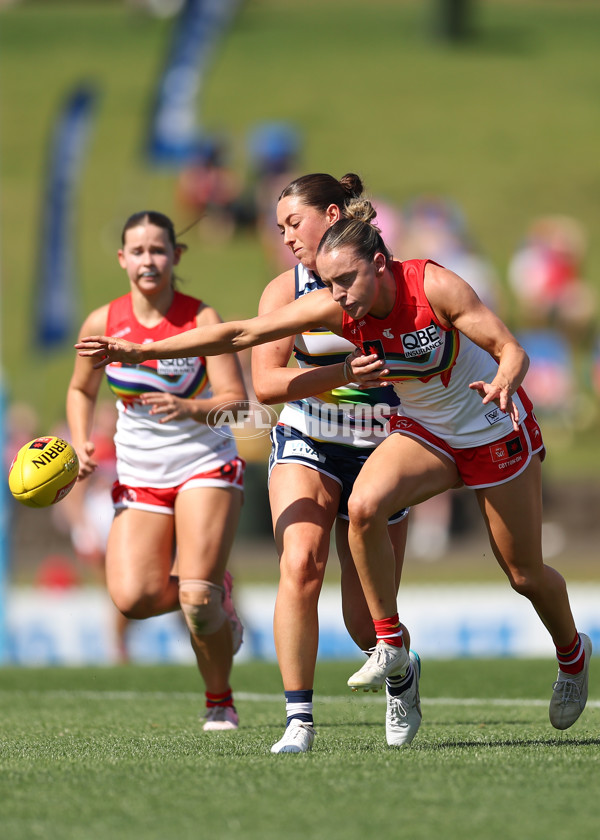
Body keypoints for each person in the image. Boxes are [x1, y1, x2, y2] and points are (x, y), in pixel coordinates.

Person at [76, 188, 592, 735]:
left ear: (378, 262)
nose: (338, 297)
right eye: (331, 285)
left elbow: (511, 348)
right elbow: (241, 333)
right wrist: (140, 353)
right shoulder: (334, 300)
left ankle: (571, 656)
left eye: (346, 282)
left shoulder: (434, 285)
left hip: (491, 427)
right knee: (363, 506)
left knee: (523, 573)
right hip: (423, 433)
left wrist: (506, 380)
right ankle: (388, 648)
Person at [78, 174, 421, 755]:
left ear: (332, 213)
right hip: (307, 438)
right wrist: (340, 376)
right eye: (279, 225)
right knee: (300, 566)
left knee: (365, 623)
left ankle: (401, 676)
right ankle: (299, 721)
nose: (284, 236)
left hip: (382, 446)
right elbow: (264, 386)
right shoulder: (281, 291)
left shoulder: (392, 277)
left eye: (293, 223)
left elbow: (445, 339)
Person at [67, 210, 247, 730]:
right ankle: (217, 592)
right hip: (140, 474)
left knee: (195, 601)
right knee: (132, 598)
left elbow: (236, 402)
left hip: (204, 465)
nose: (149, 259)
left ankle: (220, 701)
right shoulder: (103, 321)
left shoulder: (201, 319)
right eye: (138, 251)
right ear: (123, 259)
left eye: (159, 250)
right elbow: (81, 388)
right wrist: (80, 441)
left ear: (176, 256)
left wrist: (193, 408)